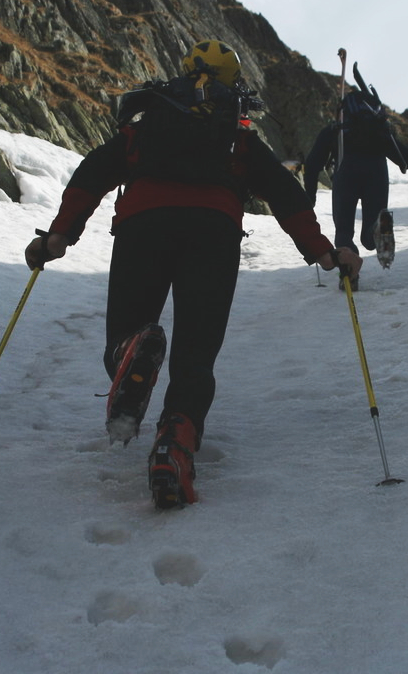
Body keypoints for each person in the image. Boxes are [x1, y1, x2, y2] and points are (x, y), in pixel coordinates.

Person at [24, 40, 362, 509]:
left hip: (142, 223)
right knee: (195, 354)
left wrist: (59, 235)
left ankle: (130, 352)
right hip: (213, 232)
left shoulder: (148, 122)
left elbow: (93, 172)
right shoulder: (237, 135)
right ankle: (174, 445)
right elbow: (285, 195)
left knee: (128, 330)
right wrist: (326, 252)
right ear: (232, 83)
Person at [303, 64, 408, 285]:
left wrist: (310, 197)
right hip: (376, 173)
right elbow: (402, 153)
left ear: (342, 112)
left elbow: (313, 164)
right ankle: (381, 231)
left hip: (346, 174)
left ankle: (349, 271)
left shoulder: (335, 131)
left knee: (344, 229)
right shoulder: (379, 132)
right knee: (370, 236)